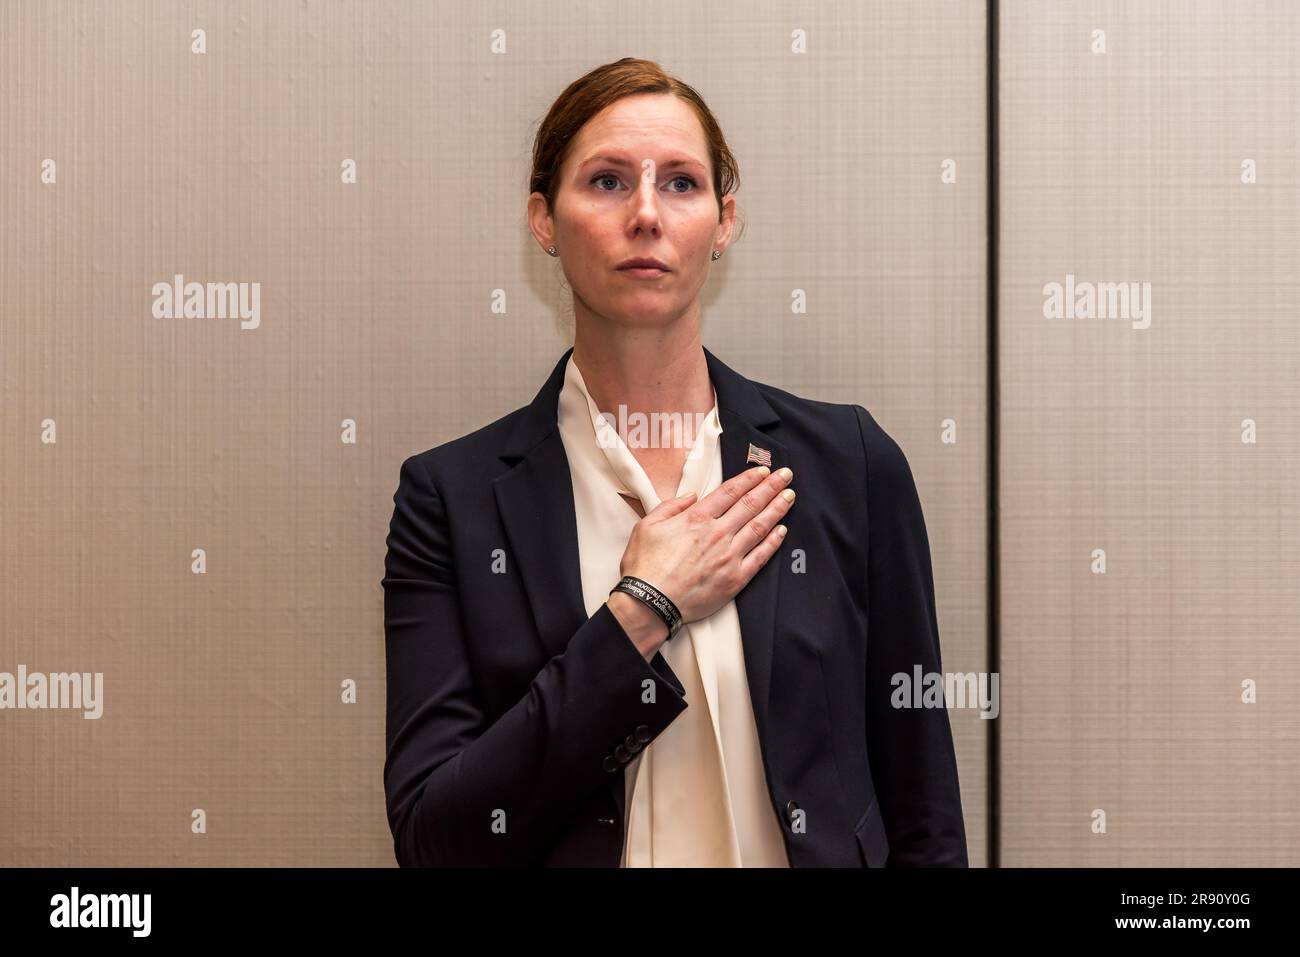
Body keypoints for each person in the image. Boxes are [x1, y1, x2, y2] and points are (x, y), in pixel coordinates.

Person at [382, 57, 967, 867]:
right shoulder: (449, 501)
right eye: (609, 181)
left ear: (726, 222)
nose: (648, 214)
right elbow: (435, 840)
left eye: (682, 184)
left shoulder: (852, 466)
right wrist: (641, 610)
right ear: (543, 220)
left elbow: (923, 810)